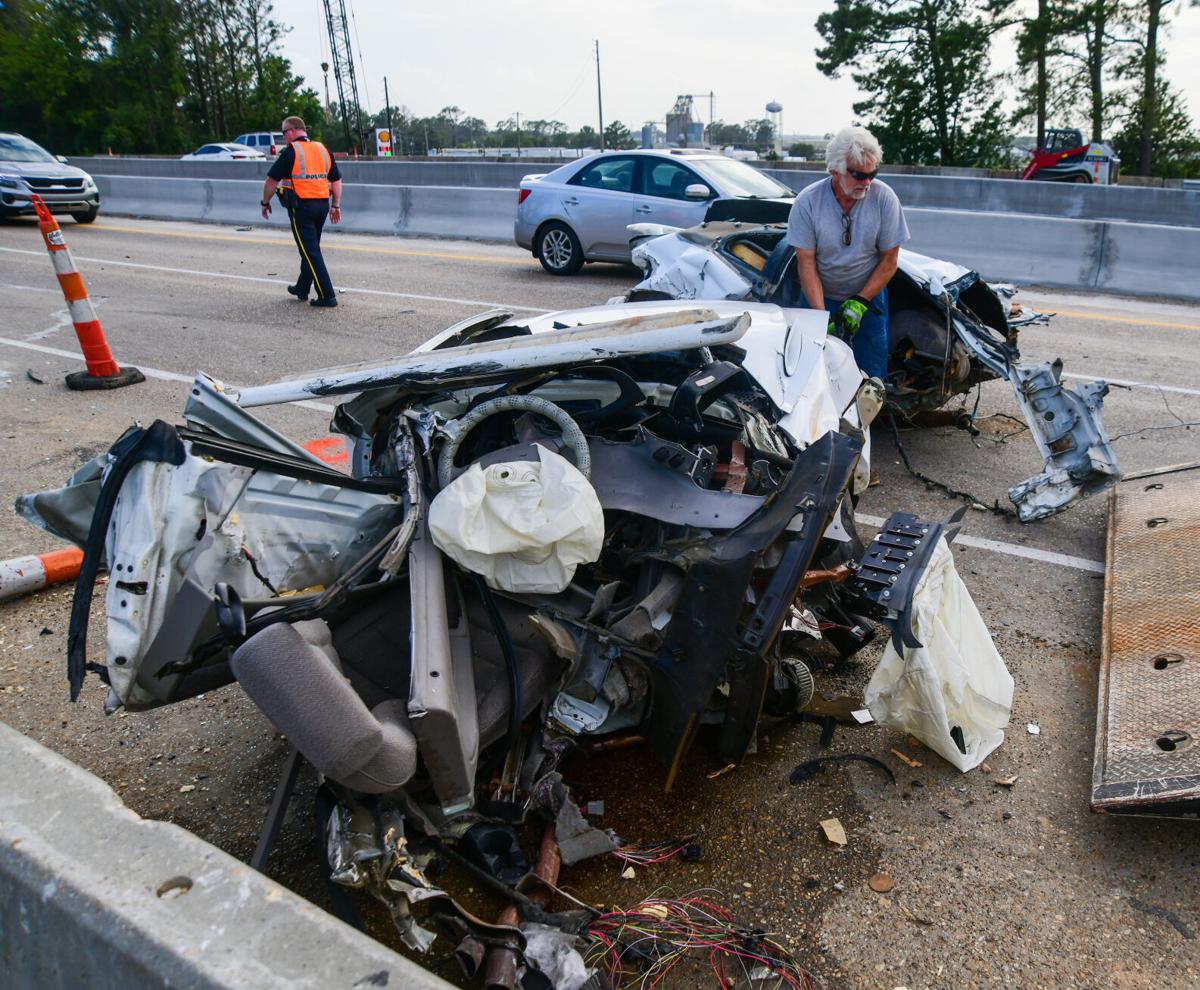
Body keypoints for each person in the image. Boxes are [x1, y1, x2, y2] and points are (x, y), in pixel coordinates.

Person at [785, 125, 909, 380]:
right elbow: (806, 264)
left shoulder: (884, 199)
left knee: (869, 378)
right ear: (835, 171)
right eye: (859, 175)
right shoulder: (808, 202)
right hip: (820, 298)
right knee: (816, 374)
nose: (867, 182)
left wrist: (861, 301)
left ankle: (867, 421)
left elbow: (889, 260)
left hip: (868, 301)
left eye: (872, 173)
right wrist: (820, 317)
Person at [260, 116, 343, 308]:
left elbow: (271, 180)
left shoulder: (291, 152)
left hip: (302, 207)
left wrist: (265, 202)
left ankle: (327, 295)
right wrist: (336, 205)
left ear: (291, 131)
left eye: (283, 133)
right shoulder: (322, 149)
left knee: (310, 251)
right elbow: (336, 180)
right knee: (310, 248)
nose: (283, 138)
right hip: (322, 206)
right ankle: (302, 287)